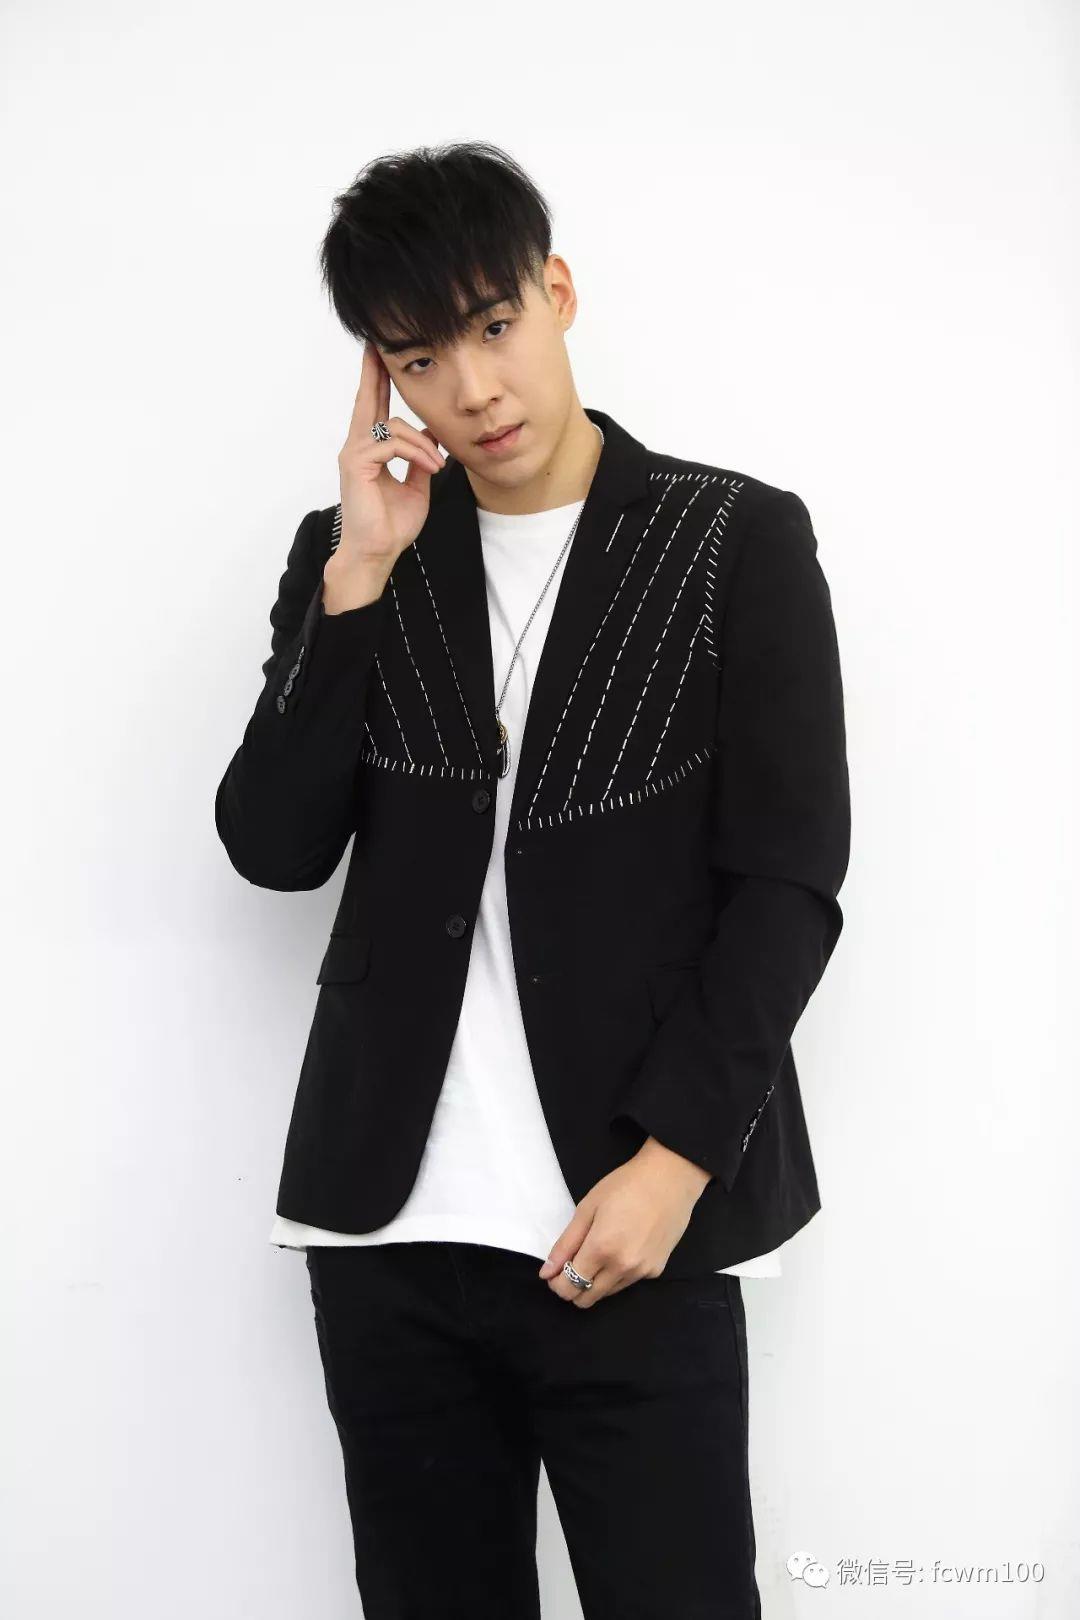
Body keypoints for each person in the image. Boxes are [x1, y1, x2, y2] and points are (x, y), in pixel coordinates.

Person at [215, 139, 850, 1619]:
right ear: (383, 376)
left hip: (626, 1220)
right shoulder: (355, 555)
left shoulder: (732, 538)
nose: (474, 389)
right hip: (388, 1234)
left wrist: (675, 1166)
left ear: (556, 293)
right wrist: (358, 580)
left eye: (494, 326)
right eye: (419, 359)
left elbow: (788, 882)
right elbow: (273, 846)